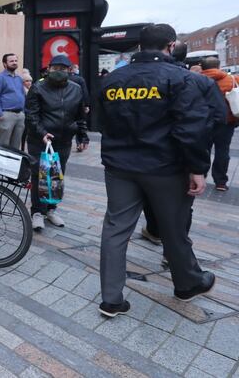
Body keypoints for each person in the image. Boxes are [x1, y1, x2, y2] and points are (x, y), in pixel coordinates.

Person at [99, 23, 215, 318]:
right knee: (174, 228)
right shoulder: (179, 78)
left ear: (140, 46)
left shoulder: (113, 79)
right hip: (164, 167)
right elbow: (191, 128)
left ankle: (111, 299)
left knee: (115, 229)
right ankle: (187, 284)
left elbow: (100, 122)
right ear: (171, 45)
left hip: (120, 166)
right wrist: (197, 168)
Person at [142, 42, 226, 245]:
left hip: (151, 153)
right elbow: (219, 117)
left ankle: (155, 231)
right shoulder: (199, 81)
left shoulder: (148, 78)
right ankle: (173, 250)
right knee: (182, 205)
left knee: (151, 195)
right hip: (186, 155)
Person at [25, 55, 88, 231]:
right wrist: (42, 133)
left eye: (62, 69)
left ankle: (51, 210)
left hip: (63, 140)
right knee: (40, 176)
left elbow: (80, 115)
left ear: (69, 70)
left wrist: (82, 135)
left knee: (56, 175)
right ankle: (37, 212)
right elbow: (31, 115)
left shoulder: (76, 89)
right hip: (40, 141)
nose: (58, 71)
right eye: (55, 68)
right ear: (48, 69)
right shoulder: (38, 87)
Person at [201, 56, 238, 191]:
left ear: (202, 67)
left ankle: (201, 175)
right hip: (226, 122)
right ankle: (220, 181)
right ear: (218, 66)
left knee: (203, 149)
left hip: (203, 122)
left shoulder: (195, 80)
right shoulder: (232, 79)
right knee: (223, 151)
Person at [0, 53, 25, 150]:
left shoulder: (19, 79)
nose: (14, 63)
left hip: (20, 115)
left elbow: (22, 95)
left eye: (16, 61)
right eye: (11, 61)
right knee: (3, 145)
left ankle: (13, 160)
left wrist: (23, 112)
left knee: (16, 146)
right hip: (7, 114)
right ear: (5, 64)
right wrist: (0, 113)